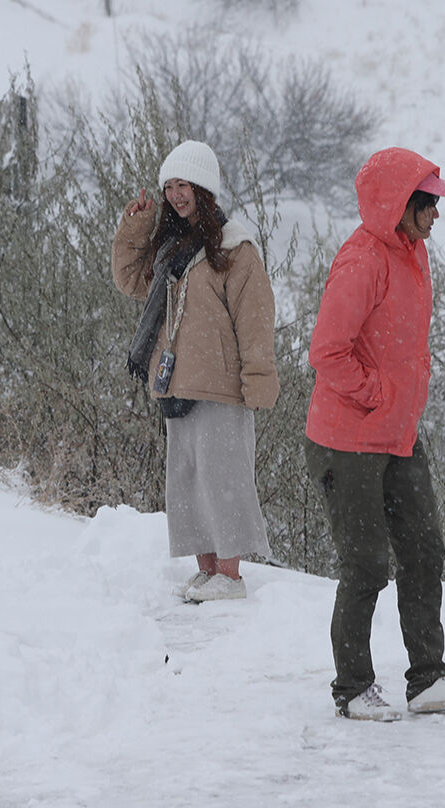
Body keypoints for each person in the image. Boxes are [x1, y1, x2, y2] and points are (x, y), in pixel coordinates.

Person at [303, 146, 445, 720]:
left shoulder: (413, 254)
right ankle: (354, 689)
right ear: (398, 204)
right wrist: (380, 396)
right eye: (429, 203)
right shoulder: (362, 260)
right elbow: (328, 352)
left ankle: (428, 679)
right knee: (365, 564)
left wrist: (403, 401)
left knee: (424, 550)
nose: (437, 214)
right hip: (348, 440)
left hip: (398, 435)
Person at [112, 139, 280, 603]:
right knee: (189, 481)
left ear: (203, 188)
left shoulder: (234, 247)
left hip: (222, 387)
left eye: (183, 184)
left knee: (224, 479)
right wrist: (137, 225)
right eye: (169, 186)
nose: (175, 194)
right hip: (176, 384)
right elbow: (129, 279)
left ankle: (230, 574)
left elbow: (255, 316)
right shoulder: (169, 250)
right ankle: (208, 572)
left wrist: (258, 379)